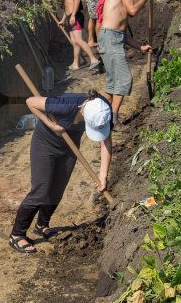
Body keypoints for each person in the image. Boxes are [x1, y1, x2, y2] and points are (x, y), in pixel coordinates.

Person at [9, 90, 112, 253]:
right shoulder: (66, 105)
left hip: (69, 147)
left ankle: (42, 224)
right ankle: (17, 234)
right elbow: (30, 101)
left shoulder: (103, 110)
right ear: (84, 113)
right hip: (45, 144)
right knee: (40, 191)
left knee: (57, 190)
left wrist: (103, 175)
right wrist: (51, 125)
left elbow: (106, 142)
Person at [97, 0, 155, 132]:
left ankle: (92, 110)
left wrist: (140, 47)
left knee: (112, 85)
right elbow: (133, 10)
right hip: (110, 39)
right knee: (124, 79)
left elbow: (121, 32)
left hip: (111, 37)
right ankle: (113, 121)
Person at [53, 0, 101, 71]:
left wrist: (73, 16)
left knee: (79, 40)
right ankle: (75, 64)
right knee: (75, 42)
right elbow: (67, 8)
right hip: (70, 17)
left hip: (76, 17)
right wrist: (62, 20)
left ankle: (93, 59)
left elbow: (77, 0)